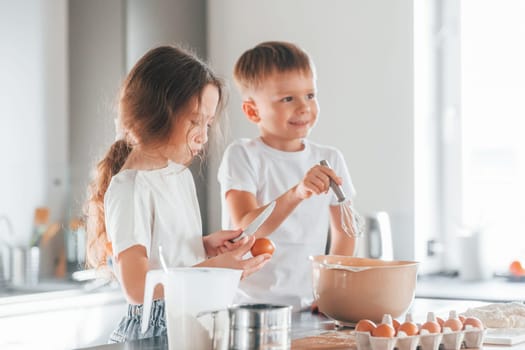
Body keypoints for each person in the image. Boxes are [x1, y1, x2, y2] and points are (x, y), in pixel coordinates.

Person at [84, 45, 271, 343]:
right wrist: (213, 269)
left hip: (193, 314)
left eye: (208, 123)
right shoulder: (130, 188)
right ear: (154, 114)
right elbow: (136, 287)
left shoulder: (180, 177)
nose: (204, 135)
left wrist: (203, 246)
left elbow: (168, 254)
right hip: (157, 328)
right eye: (195, 121)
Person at [218, 41, 359, 310]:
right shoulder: (242, 155)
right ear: (252, 110)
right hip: (248, 307)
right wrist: (297, 193)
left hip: (310, 307)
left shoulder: (330, 158)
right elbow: (246, 228)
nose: (304, 107)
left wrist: (330, 289)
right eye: (287, 99)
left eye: (310, 95)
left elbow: (345, 231)